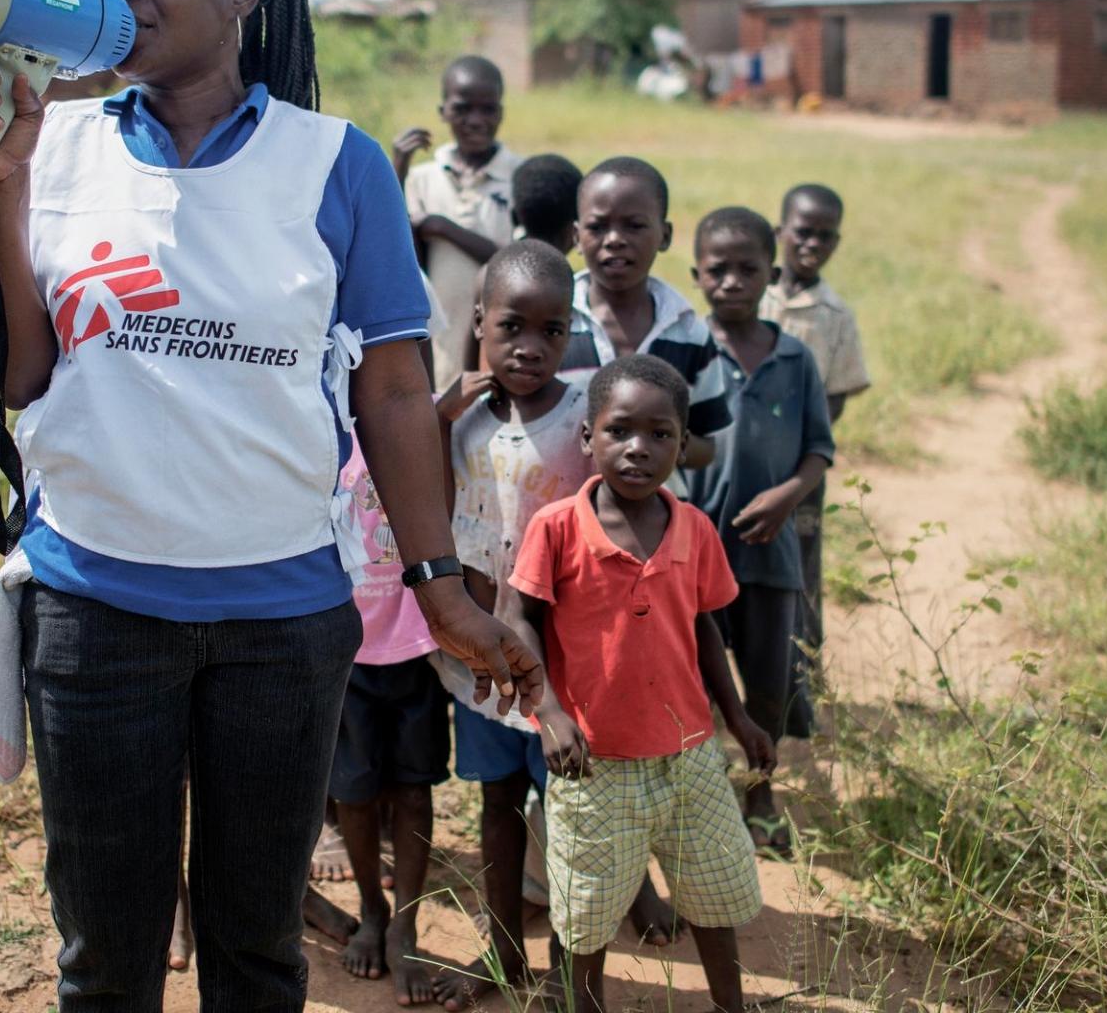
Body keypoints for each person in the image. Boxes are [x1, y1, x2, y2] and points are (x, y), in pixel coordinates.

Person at [0, 0, 540, 1013]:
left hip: (280, 626)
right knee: (105, 956)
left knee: (257, 950)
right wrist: (0, 189)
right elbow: (21, 375)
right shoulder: (52, 149)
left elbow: (397, 395)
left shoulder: (335, 164)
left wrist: (440, 589)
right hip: (94, 613)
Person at [509, 355, 775, 1013]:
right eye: (620, 430)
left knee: (713, 896)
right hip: (593, 764)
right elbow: (517, 619)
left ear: (683, 446)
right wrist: (549, 713)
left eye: (660, 435)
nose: (638, 448)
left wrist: (738, 718)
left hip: (689, 756)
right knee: (586, 914)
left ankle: (729, 1006)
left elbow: (705, 629)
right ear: (588, 438)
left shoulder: (694, 529)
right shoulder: (558, 528)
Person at [431, 240, 588, 1009]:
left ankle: (568, 966)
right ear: (479, 322)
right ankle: (502, 953)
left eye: (552, 331)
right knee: (495, 803)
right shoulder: (455, 419)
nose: (530, 347)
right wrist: (439, 412)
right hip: (477, 660)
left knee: (566, 813)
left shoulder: (587, 419)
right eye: (511, 327)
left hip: (559, 665)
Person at [689, 208, 835, 855]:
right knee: (695, 676)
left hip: (770, 552)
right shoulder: (686, 352)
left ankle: (761, 791)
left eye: (748, 269)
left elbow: (818, 450)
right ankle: (700, 795)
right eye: (717, 270)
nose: (731, 281)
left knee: (768, 682)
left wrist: (786, 496)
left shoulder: (795, 358)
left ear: (771, 275)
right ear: (697, 275)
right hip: (698, 555)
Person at [328, 447, 449, 1004]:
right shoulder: (314, 407)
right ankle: (372, 911)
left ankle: (406, 925)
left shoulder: (416, 416)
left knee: (413, 788)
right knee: (352, 792)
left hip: (415, 644)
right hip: (342, 647)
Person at [759, 184, 869, 711]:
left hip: (801, 469)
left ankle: (802, 677)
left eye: (825, 236)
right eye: (802, 232)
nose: (811, 244)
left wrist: (799, 445)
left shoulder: (835, 315)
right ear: (780, 232)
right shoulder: (750, 288)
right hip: (741, 462)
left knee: (801, 567)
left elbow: (837, 394)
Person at [560, 157, 726, 468]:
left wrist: (654, 442)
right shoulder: (553, 323)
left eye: (634, 226)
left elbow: (706, 446)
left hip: (657, 515)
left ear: (665, 235)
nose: (614, 240)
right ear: (576, 237)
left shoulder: (689, 333)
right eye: (597, 227)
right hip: (561, 509)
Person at [397, 56, 521, 386]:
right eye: (463, 109)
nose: (476, 120)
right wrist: (398, 172)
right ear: (443, 112)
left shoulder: (520, 179)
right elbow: (401, 259)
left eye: (488, 109)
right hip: (439, 352)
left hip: (505, 359)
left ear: (501, 112)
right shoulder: (422, 180)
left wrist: (443, 227)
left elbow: (522, 266)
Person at [458, 152, 582, 378]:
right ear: (574, 231)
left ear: (514, 216)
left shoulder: (490, 275)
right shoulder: (573, 286)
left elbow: (470, 370)